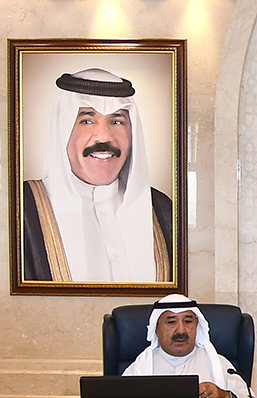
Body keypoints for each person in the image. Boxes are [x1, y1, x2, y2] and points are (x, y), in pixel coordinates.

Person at [21, 68, 174, 282]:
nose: (104, 136)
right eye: (86, 120)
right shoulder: (22, 209)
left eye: (117, 121)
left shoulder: (162, 209)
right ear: (63, 129)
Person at [122, 295, 255, 398]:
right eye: (171, 322)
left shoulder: (218, 364)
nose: (181, 330)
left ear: (197, 326)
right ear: (156, 329)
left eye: (188, 321)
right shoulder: (140, 368)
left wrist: (225, 397)